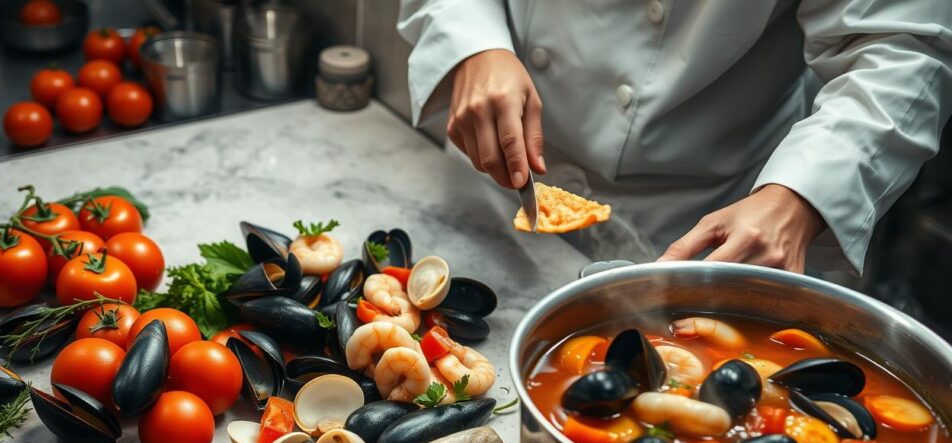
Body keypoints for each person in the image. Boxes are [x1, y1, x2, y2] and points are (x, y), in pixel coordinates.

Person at [397, 0, 952, 274]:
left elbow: (900, 49)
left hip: (704, 223)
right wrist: (471, 40)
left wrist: (801, 198)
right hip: (494, 168)